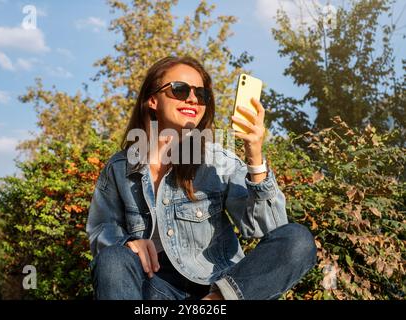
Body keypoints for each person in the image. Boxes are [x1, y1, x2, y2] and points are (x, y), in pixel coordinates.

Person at [87, 56, 317, 300]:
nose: (193, 98)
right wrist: (127, 244)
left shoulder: (218, 162)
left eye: (202, 94)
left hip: (220, 288)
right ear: (152, 100)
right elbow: (101, 229)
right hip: (154, 289)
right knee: (113, 257)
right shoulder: (120, 168)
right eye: (180, 89)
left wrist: (256, 156)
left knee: (298, 240)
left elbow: (269, 228)